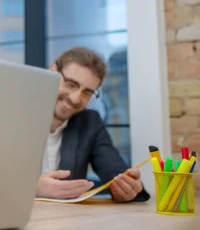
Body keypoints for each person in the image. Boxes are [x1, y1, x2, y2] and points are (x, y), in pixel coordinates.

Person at [36, 47, 150, 203]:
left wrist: (127, 189)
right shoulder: (8, 112)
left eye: (87, 92)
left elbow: (117, 174)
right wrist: (34, 189)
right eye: (71, 84)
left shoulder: (89, 123)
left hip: (68, 222)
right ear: (52, 70)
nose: (76, 98)